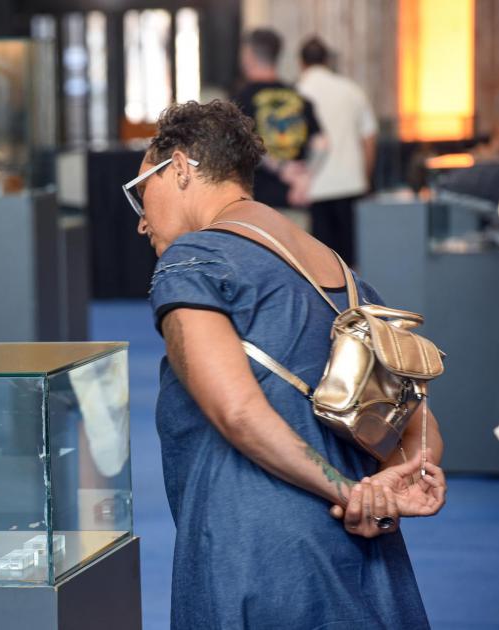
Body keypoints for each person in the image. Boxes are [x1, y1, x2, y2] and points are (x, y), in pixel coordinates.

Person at [124, 100, 446, 628]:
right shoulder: (341, 272)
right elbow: (419, 425)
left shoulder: (194, 260)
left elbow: (238, 412)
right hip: (363, 560)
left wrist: (348, 491)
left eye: (143, 193)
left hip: (255, 553)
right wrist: (388, 485)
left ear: (179, 168)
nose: (142, 224)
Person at [298, 36, 378, 265]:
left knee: (318, 268)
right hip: (351, 186)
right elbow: (369, 138)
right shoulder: (352, 90)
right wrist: (366, 178)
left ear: (301, 63)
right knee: (350, 265)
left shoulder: (297, 92)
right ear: (327, 61)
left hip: (312, 191)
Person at [233, 28, 325, 211]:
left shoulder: (242, 100)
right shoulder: (298, 97)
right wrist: (304, 179)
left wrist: (281, 168)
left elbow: (243, 143)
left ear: (248, 56)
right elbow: (322, 143)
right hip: (295, 198)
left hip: (258, 204)